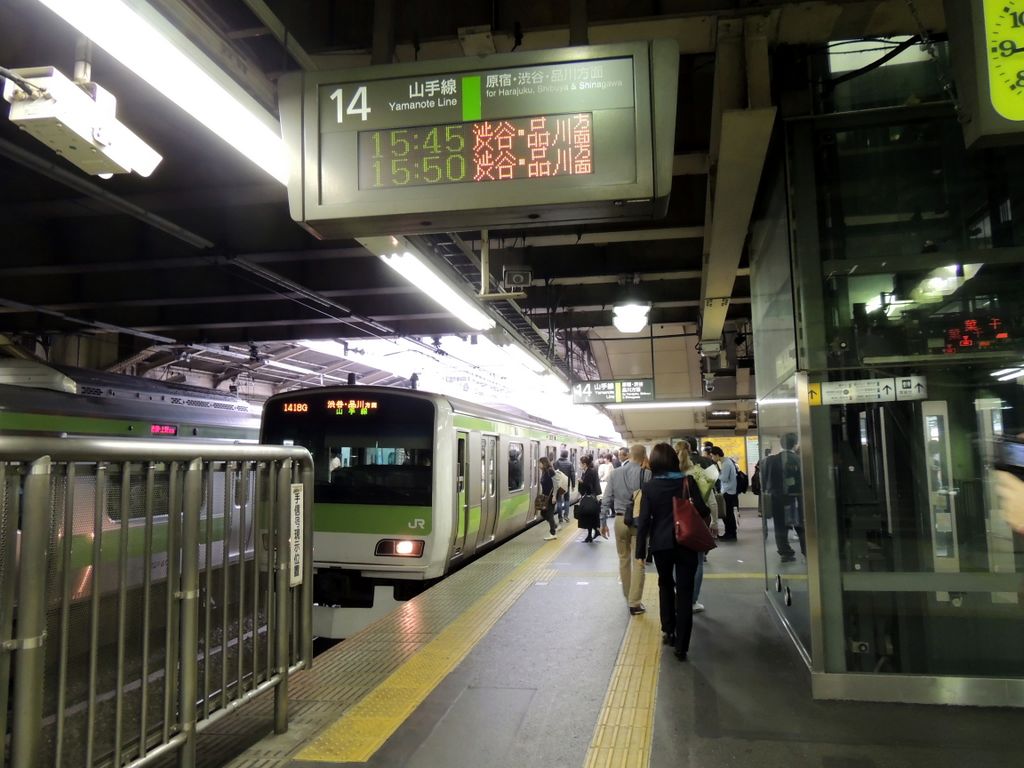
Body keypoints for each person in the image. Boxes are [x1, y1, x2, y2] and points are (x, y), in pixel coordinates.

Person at [635, 443, 711, 661]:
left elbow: (644, 522)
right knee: (685, 593)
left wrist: (640, 552)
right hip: (687, 543)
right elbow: (704, 511)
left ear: (655, 462)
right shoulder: (688, 481)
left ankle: (669, 630)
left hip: (662, 545)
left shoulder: (649, 487)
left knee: (665, 584)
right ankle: (682, 646)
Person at [600, 443, 651, 615]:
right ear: (644, 456)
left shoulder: (615, 473)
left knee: (623, 559)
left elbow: (606, 499)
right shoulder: (648, 474)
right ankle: (634, 602)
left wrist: (602, 522)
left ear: (629, 455)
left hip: (620, 520)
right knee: (639, 561)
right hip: (639, 522)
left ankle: (627, 596)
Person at [676, 444, 713, 613]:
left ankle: (680, 597)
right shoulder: (697, 472)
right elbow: (709, 500)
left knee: (679, 562)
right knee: (698, 563)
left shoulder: (672, 474)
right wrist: (714, 521)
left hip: (676, 524)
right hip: (696, 522)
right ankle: (692, 601)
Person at [761, 433, 805, 562]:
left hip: (776, 498)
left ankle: (785, 552)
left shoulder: (769, 460)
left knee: (779, 526)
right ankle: (806, 550)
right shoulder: (798, 460)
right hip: (796, 498)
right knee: (800, 525)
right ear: (795, 444)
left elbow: (764, 479)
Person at [712, 446, 739, 541]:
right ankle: (730, 533)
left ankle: (730, 534)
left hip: (728, 492)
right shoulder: (726, 462)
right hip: (729, 491)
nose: (712, 458)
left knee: (728, 515)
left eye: (713, 456)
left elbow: (724, 478)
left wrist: (716, 472)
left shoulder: (726, 464)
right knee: (728, 514)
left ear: (717, 455)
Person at [577, 454, 603, 542]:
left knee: (588, 516)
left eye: (580, 463)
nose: (579, 465)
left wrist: (581, 482)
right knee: (592, 516)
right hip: (593, 497)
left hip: (590, 497)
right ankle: (593, 532)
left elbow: (588, 486)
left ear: (584, 464)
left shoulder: (589, 472)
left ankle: (591, 535)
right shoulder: (591, 470)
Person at [536, 456, 558, 540]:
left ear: (544, 463)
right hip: (545, 496)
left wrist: (554, 496)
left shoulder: (550, 471)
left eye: (539, 463)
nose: (538, 465)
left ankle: (553, 533)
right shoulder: (544, 472)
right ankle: (554, 525)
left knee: (549, 514)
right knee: (543, 513)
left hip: (551, 496)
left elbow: (555, 485)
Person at [554, 449, 576, 524]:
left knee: (559, 501)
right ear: (567, 455)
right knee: (567, 500)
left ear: (560, 454)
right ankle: (566, 515)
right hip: (567, 484)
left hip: (559, 484)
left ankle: (560, 518)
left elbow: (554, 474)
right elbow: (572, 475)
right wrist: (573, 485)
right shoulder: (570, 463)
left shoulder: (556, 463)